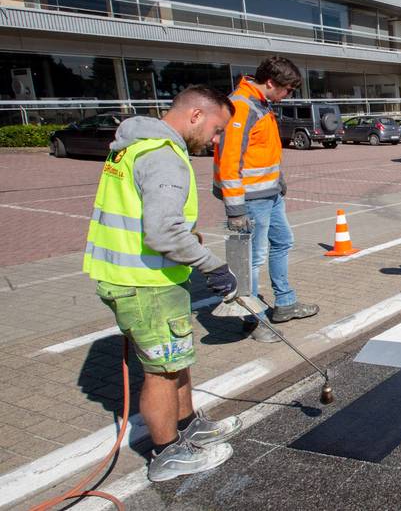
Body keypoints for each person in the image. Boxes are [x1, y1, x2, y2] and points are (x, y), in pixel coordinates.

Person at [84, 85, 243, 482]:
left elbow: (148, 219)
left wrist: (188, 242)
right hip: (143, 283)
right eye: (216, 129)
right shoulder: (163, 157)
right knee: (162, 371)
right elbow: (162, 232)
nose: (216, 139)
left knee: (177, 358)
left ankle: (188, 423)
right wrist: (213, 267)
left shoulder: (136, 146)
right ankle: (168, 453)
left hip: (147, 276)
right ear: (195, 116)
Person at [214, 57, 318, 340]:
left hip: (269, 194)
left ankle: (284, 303)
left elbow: (264, 152)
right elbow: (229, 160)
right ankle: (254, 319)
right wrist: (235, 209)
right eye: (287, 90)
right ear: (271, 82)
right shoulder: (241, 106)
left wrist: (278, 180)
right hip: (251, 199)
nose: (288, 96)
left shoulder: (261, 103)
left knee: (283, 242)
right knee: (253, 259)